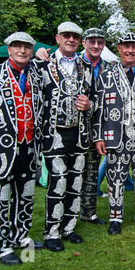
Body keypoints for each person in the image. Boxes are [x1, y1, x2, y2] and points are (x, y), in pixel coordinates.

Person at [0, 31, 44, 265]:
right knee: (1, 198)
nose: (22, 51)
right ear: (9, 49)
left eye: (26, 47)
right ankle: (1, 246)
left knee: (26, 195)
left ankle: (20, 236)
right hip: (2, 150)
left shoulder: (37, 74)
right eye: (17, 46)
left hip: (30, 146)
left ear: (32, 50)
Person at [32, 22, 96, 252]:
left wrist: (89, 105)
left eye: (75, 37)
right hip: (54, 134)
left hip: (79, 135)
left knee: (75, 183)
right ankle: (52, 231)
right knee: (57, 181)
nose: (71, 40)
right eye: (66, 36)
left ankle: (69, 227)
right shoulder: (43, 64)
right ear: (57, 38)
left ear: (80, 41)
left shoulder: (85, 66)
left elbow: (94, 98)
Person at [35, 27, 109, 226]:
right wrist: (38, 52)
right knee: (60, 178)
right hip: (58, 132)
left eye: (100, 42)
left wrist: (91, 106)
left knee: (89, 173)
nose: (95, 45)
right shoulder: (48, 62)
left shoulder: (108, 67)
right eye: (91, 41)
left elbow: (98, 99)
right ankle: (55, 227)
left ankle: (87, 213)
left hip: (93, 129)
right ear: (84, 43)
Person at [94, 32, 135, 235]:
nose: (130, 50)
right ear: (119, 49)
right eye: (126, 46)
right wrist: (98, 136)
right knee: (115, 179)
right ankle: (115, 218)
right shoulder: (105, 77)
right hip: (116, 137)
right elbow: (98, 109)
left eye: (134, 46)